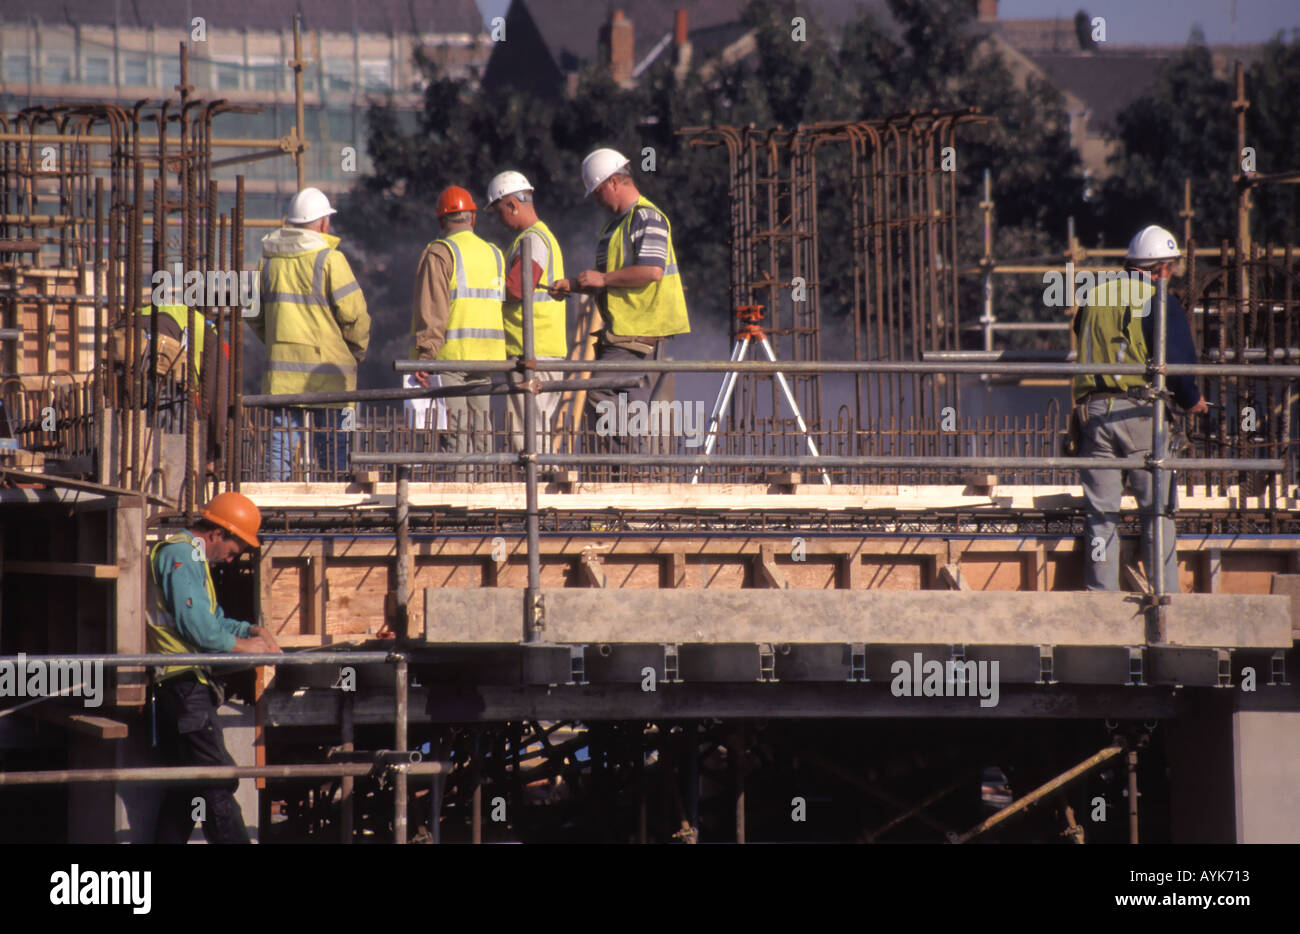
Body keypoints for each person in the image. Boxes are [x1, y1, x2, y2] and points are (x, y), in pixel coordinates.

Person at [1072, 224, 1208, 592]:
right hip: (1139, 414)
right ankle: (1164, 600)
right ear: (1162, 268)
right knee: (1157, 511)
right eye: (1174, 268)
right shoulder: (1157, 298)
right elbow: (1177, 363)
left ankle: (1101, 601)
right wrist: (1191, 400)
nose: (1175, 275)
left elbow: (1085, 339)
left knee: (1101, 515)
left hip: (1094, 414)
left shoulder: (1095, 296)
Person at [146, 491, 281, 843]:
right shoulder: (181, 553)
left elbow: (214, 621)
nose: (231, 560)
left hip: (182, 686)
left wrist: (252, 631)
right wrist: (248, 648)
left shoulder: (193, 560)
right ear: (217, 534)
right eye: (233, 550)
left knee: (187, 788)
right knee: (217, 778)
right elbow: (200, 631)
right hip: (182, 685)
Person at [549, 148, 690, 477]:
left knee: (602, 393)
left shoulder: (646, 217)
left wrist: (603, 278)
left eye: (597, 192)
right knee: (628, 406)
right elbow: (609, 282)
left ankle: (625, 473)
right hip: (620, 332)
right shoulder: (615, 227)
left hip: (638, 332)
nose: (595, 200)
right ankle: (623, 475)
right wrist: (572, 284)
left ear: (614, 181)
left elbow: (651, 271)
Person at [249, 186, 370, 481]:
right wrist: (356, 351)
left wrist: (278, 344)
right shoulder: (330, 260)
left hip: (283, 375)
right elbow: (355, 316)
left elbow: (252, 312)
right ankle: (335, 513)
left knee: (280, 448)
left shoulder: (268, 261)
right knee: (333, 451)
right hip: (329, 373)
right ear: (324, 223)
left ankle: (272, 514)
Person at [410, 186, 506, 480]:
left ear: (441, 222)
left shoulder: (440, 252)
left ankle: (461, 509)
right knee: (482, 434)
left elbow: (433, 310)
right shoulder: (494, 253)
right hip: (487, 358)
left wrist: (425, 356)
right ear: (472, 218)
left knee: (456, 435)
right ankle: (487, 505)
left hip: (451, 358)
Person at [486, 170, 567, 453]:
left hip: (533, 351)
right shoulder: (541, 238)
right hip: (541, 350)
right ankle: (541, 486)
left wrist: (488, 284)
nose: (500, 219)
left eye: (499, 212)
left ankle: (535, 489)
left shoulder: (532, 240)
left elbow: (519, 288)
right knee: (536, 428)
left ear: (512, 204)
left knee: (527, 434)